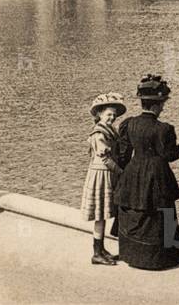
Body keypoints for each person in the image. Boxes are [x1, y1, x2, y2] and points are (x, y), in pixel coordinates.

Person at [114, 75, 179, 270]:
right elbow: (168, 155)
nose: (163, 108)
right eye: (162, 104)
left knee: (135, 211)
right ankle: (165, 258)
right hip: (157, 174)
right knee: (164, 212)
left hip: (134, 171)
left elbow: (123, 155)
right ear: (156, 105)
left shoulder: (128, 124)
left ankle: (132, 254)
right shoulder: (164, 129)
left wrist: (126, 175)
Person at [81, 92, 126, 266]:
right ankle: (97, 253)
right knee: (100, 215)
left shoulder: (109, 130)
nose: (112, 118)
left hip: (106, 174)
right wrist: (122, 172)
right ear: (100, 114)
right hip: (101, 175)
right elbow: (106, 159)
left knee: (103, 214)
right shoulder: (99, 133)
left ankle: (101, 249)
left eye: (114, 115)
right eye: (108, 114)